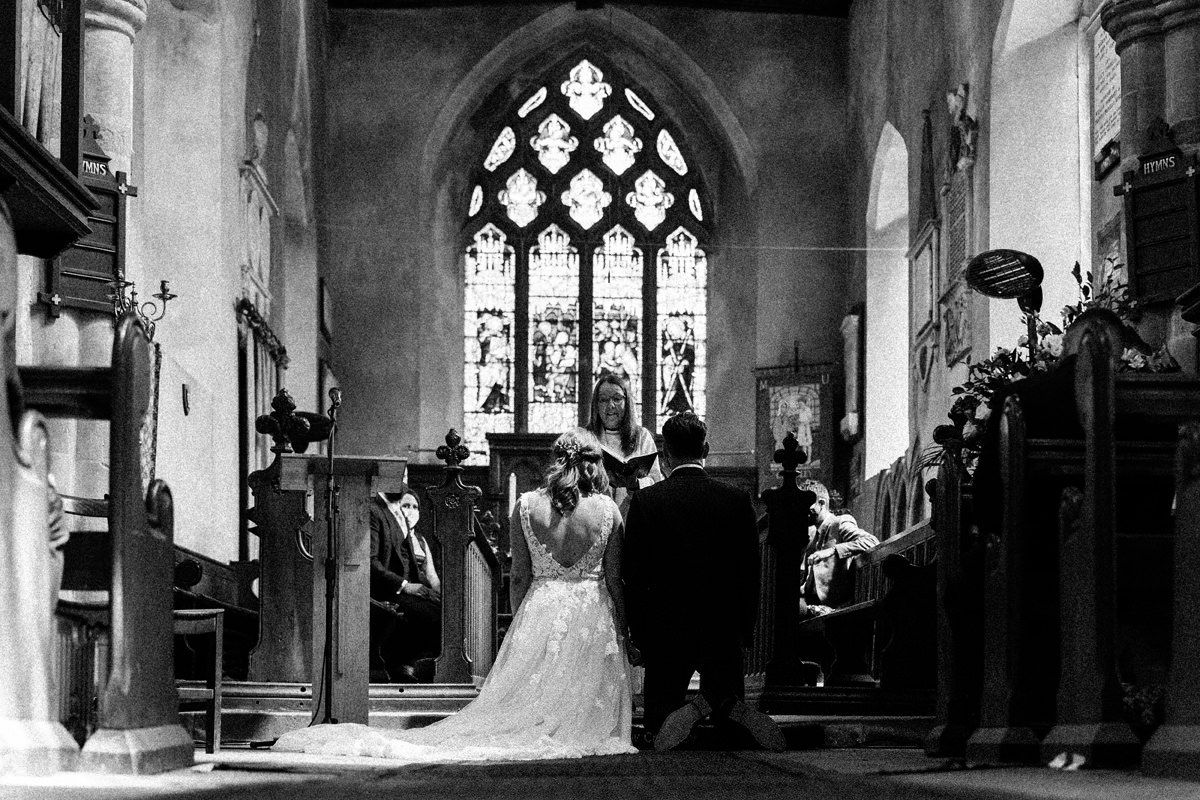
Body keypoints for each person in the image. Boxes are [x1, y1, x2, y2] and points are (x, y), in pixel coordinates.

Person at [274, 428, 639, 762]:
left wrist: (521, 624)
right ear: (595, 465)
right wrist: (624, 632)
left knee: (530, 696)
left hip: (542, 610)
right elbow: (614, 579)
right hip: (592, 614)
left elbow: (519, 579)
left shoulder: (527, 506)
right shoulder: (608, 511)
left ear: (556, 460)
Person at [622, 412, 785, 752]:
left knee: (658, 725)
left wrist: (638, 636)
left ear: (665, 455)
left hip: (666, 630)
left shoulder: (647, 501)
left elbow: (634, 577)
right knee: (730, 738)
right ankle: (721, 706)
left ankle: (690, 716)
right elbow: (748, 573)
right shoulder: (736, 500)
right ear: (706, 449)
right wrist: (746, 630)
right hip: (721, 628)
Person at [369, 487, 442, 683]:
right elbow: (370, 562)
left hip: (406, 588)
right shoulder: (374, 509)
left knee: (446, 611)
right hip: (386, 588)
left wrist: (432, 591)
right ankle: (400, 664)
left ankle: (409, 664)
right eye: (407, 505)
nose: (410, 510)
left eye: (414, 506)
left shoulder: (397, 513)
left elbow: (423, 571)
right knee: (434, 616)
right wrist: (406, 586)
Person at [798, 479, 879, 618]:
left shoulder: (839, 523)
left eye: (805, 505)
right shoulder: (811, 533)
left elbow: (872, 541)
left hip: (833, 610)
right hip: (810, 604)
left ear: (822, 503)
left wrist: (833, 550)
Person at [587, 373, 662, 517]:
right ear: (596, 405)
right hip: (595, 516)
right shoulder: (586, 437)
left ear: (627, 402)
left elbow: (656, 482)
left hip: (633, 514)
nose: (610, 406)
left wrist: (635, 484)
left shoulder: (642, 436)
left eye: (617, 399)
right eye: (603, 400)